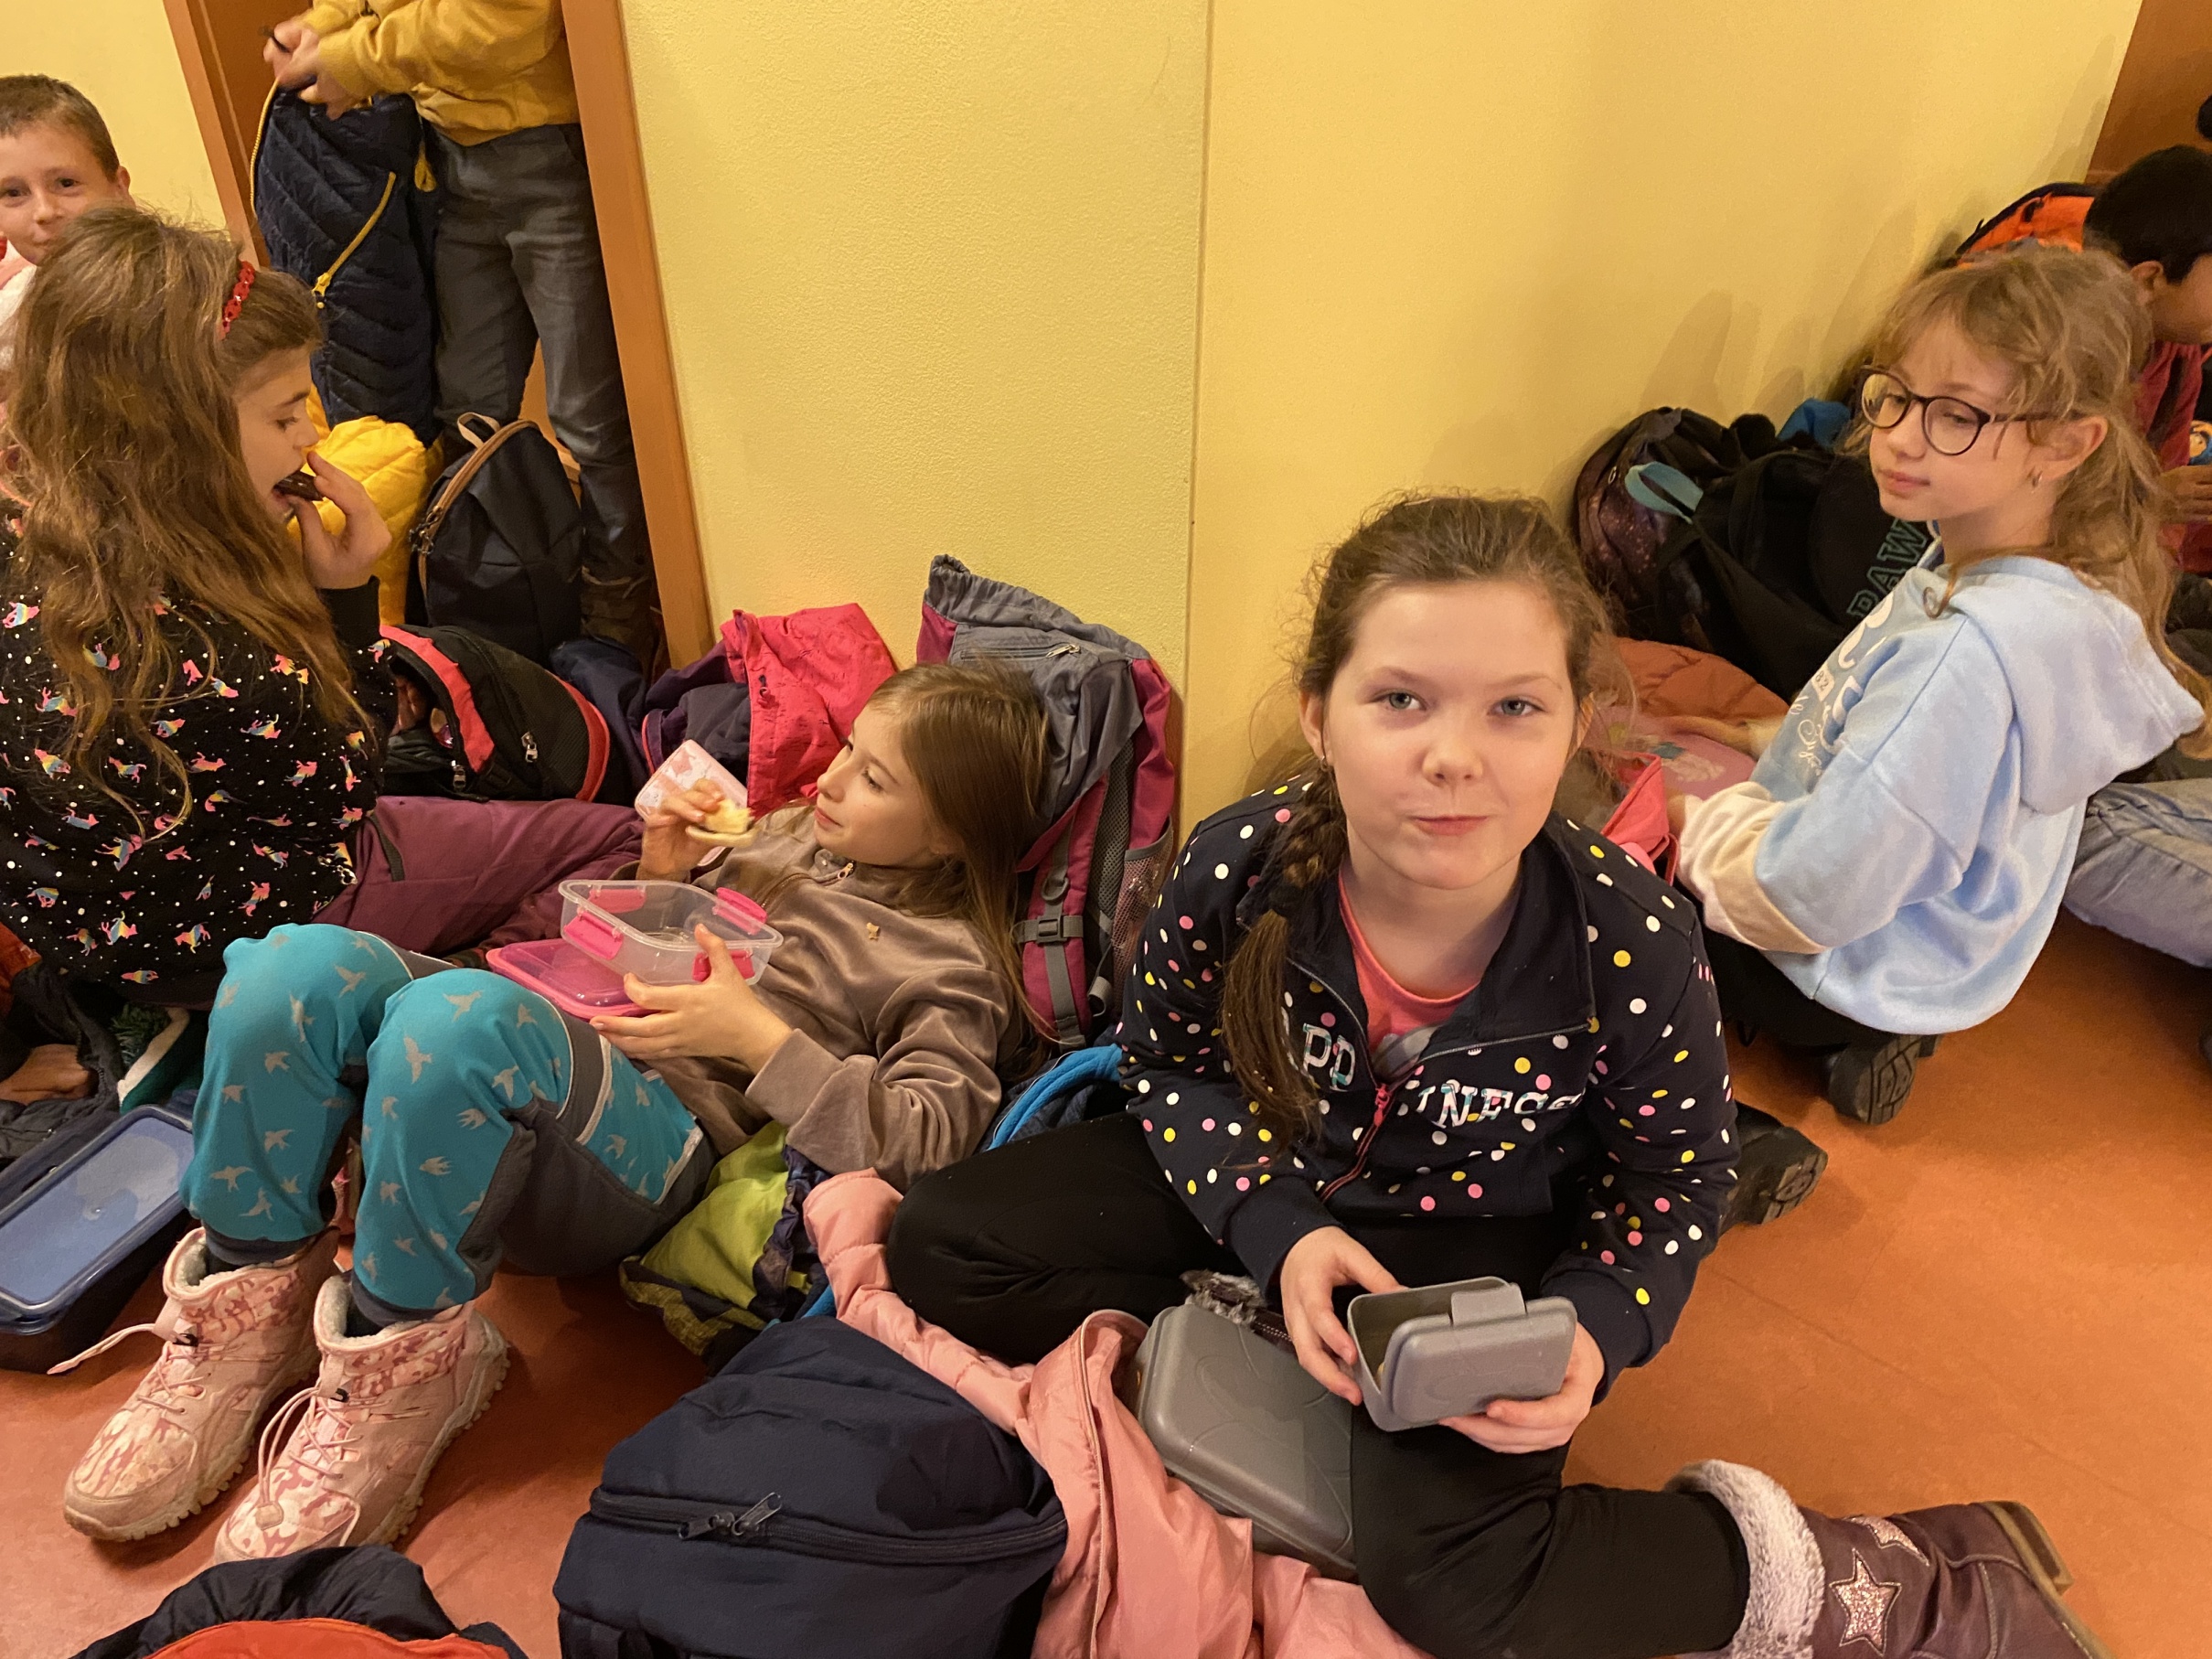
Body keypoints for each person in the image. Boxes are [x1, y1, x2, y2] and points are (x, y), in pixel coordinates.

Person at [887, 493, 2110, 1659]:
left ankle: (1895, 1574)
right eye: (1400, 699)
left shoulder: (1630, 940)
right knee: (940, 1244)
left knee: (1460, 1588)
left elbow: (1674, 1179)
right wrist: (1275, 1229)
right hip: (1269, 1171)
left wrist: (1597, 1321)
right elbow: (1167, 1062)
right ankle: (1276, 1338)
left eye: (1513, 707)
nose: (1452, 757)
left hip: (1478, 1240)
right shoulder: (1238, 862)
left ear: (1577, 722)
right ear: (1319, 715)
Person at [60, 658, 1051, 1557]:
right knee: (290, 967)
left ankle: (408, 1358)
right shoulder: (788, 834)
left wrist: (756, 1039)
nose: (828, 780)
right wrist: (661, 871)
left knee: (458, 1018)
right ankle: (242, 1303)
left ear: (951, 835)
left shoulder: (949, 963)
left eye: (874, 778)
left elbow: (930, 1139)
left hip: (659, 1145)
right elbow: (625, 945)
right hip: (552, 1052)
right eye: (846, 749)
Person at [0, 209, 641, 1106]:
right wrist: (346, 599)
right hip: (261, 926)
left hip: (101, 936)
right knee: (619, 839)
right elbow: (345, 794)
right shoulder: (213, 656)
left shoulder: (29, 536)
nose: (312, 433)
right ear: (174, 434)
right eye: (284, 412)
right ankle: (411, 1016)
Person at [1672, 245, 2208, 1124]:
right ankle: (1866, 1034)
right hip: (1949, 947)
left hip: (1841, 960)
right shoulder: (2058, 573)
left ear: (2065, 444)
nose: (1899, 437)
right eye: (1896, 395)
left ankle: (1744, 1123)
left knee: (1591, 885)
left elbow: (1812, 893)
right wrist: (1769, 741)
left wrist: (1692, 829)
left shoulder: (1962, 657)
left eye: (1956, 414)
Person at [262, 0, 662, 669]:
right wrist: (327, 22)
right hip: (445, 158)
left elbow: (515, 19)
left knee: (587, 418)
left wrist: (354, 57)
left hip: (548, 150)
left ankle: (615, 612)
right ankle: (489, 591)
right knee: (467, 404)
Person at [0, 75, 133, 358]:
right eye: (13, 193)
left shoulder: (172, 292)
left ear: (119, 188)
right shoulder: (15, 311)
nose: (45, 211)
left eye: (66, 183)